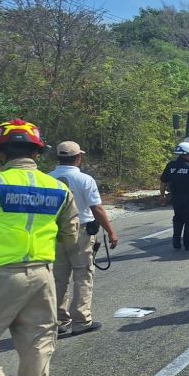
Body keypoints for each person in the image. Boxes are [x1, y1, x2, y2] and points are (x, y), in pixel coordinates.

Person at [0, 119, 78, 376]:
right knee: (37, 347)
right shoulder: (57, 188)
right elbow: (70, 235)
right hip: (42, 276)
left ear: (1, 152)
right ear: (37, 153)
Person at [49, 141, 119, 337]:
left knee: (58, 278)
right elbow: (96, 208)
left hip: (55, 232)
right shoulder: (85, 179)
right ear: (78, 158)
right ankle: (81, 321)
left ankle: (60, 321)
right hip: (81, 232)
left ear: (58, 157)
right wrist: (111, 232)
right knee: (82, 276)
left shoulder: (47, 178)